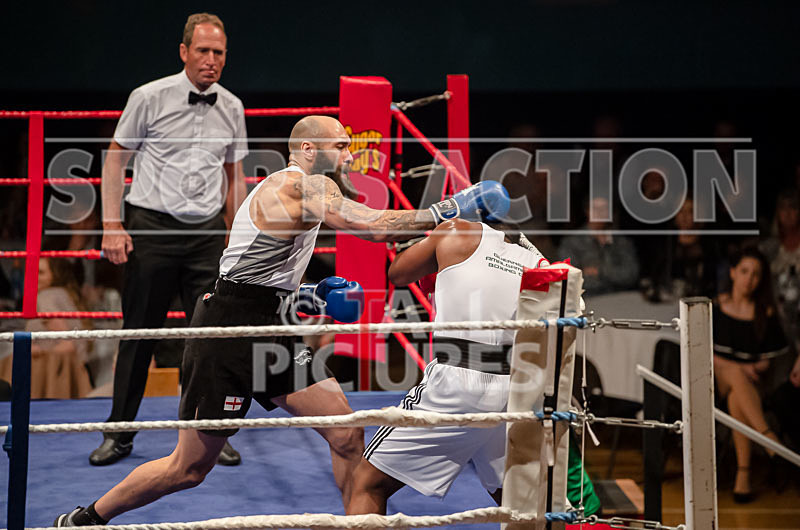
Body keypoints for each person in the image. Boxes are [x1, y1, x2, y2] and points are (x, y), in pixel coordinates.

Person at [54, 115, 509, 526]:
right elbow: (376, 228)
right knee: (188, 469)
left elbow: (251, 270)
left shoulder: (292, 191)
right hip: (226, 333)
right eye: (342, 145)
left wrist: (309, 293)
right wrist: (454, 206)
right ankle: (88, 518)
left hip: (268, 325)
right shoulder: (303, 186)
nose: (350, 156)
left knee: (348, 435)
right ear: (309, 150)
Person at [346, 219, 600, 516]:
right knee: (518, 502)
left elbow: (397, 272)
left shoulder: (457, 231)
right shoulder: (534, 260)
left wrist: (429, 234)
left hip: (456, 381)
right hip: (512, 392)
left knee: (368, 481)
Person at [92, 13, 248, 467]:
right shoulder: (149, 96)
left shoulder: (232, 107)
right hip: (152, 228)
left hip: (204, 235)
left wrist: (233, 237)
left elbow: (233, 174)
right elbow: (115, 158)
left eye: (219, 53)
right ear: (184, 52)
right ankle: (118, 434)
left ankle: (208, 435)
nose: (211, 61)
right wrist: (112, 225)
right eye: (203, 51)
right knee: (138, 335)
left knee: (209, 339)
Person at [713, 247, 789, 503]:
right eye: (744, 271)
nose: (749, 279)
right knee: (734, 372)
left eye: (756, 274)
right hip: (715, 382)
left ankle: (742, 477)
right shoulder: (716, 307)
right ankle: (770, 441)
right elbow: (702, 353)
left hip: (749, 389)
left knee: (738, 397)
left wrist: (757, 367)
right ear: (733, 273)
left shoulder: (763, 313)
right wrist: (742, 368)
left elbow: (770, 359)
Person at [0, 258, 92, 399]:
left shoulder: (46, 297)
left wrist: (40, 351)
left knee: (13, 362)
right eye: (34, 272)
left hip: (56, 371)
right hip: (73, 371)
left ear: (56, 275)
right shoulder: (62, 294)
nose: (35, 277)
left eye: (41, 273)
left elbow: (69, 344)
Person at [557, 196, 639, 295]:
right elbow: (570, 280)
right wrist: (614, 275)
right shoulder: (571, 243)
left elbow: (631, 275)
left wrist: (599, 271)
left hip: (621, 298)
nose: (599, 213)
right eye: (595, 208)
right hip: (588, 300)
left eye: (604, 208)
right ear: (587, 211)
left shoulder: (622, 242)